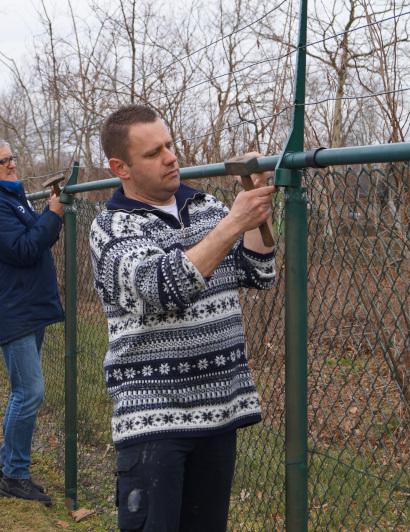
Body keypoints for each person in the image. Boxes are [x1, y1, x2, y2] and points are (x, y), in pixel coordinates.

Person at [89, 105, 276, 531]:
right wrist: (234, 223)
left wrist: (256, 208)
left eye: (169, 145)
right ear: (121, 168)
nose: (171, 157)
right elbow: (159, 288)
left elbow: (258, 273)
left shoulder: (207, 207)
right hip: (153, 418)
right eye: (153, 153)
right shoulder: (112, 228)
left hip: (219, 411)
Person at [0, 137, 64, 507]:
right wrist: (53, 215)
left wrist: (50, 215)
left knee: (24, 390)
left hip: (26, 305)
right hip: (13, 310)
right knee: (30, 391)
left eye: (12, 157)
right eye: (3, 161)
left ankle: (9, 465)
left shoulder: (10, 197)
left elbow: (33, 238)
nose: (12, 164)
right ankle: (15, 476)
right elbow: (25, 249)